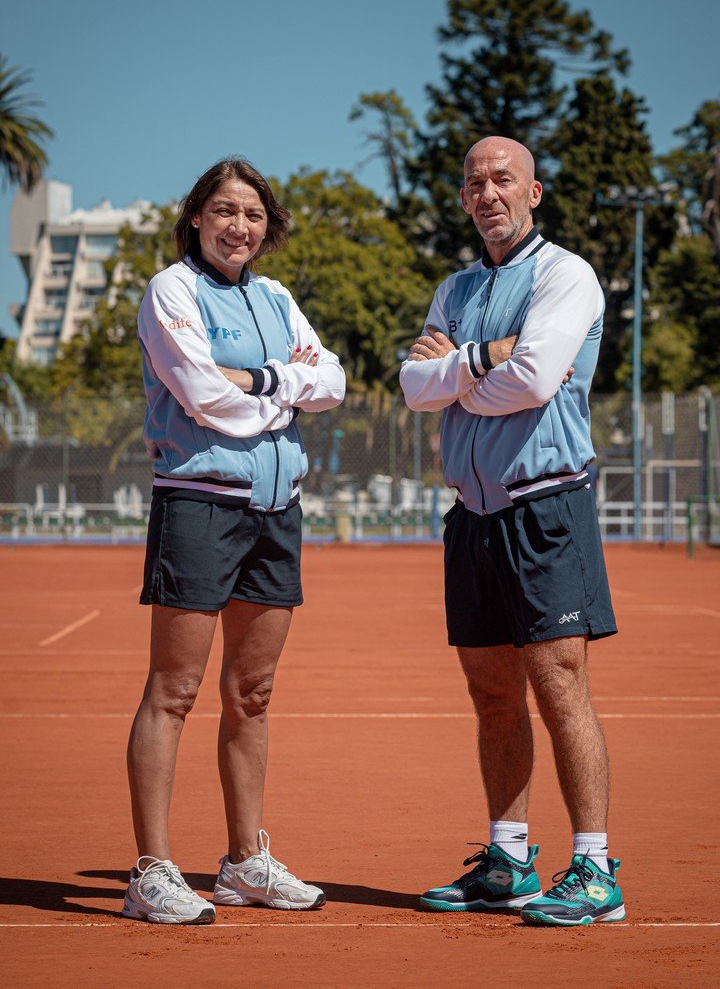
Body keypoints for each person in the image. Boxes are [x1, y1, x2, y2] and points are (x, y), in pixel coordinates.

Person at [399, 136, 624, 927]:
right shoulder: (456, 287)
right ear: (463, 198)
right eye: (474, 182)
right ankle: (509, 860)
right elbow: (412, 387)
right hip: (473, 516)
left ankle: (595, 870)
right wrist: (482, 361)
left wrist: (456, 374)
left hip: (547, 507)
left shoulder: (567, 274)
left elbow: (533, 379)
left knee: (562, 689)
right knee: (492, 693)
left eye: (503, 179)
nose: (487, 192)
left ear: (534, 193)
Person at [123, 158, 345, 924]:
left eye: (251, 214)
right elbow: (201, 393)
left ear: (266, 224)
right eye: (223, 211)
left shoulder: (278, 298)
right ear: (195, 218)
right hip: (199, 504)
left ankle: (244, 861)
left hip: (276, 507)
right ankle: (150, 870)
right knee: (175, 691)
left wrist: (260, 383)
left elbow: (334, 382)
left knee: (252, 694)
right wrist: (283, 390)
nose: (238, 226)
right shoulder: (170, 290)